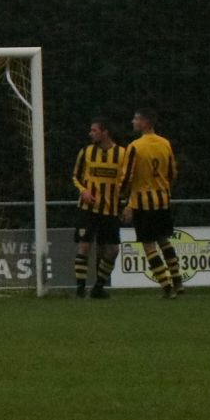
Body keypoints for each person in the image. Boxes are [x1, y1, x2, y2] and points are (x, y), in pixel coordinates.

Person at [120, 108, 182, 298]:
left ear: (145, 123)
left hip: (143, 203)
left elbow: (127, 176)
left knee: (148, 245)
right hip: (162, 200)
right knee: (164, 239)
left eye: (136, 119)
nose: (133, 122)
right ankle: (178, 281)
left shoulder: (135, 146)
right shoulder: (165, 143)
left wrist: (124, 198)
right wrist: (163, 188)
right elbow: (172, 172)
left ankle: (166, 287)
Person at [70, 117, 127, 299]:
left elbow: (127, 180)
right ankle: (80, 290)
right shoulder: (86, 152)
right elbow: (75, 176)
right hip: (88, 208)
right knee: (84, 245)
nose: (90, 133)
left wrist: (126, 201)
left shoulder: (122, 154)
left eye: (94, 130)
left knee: (113, 250)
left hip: (111, 210)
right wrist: (83, 190)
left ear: (105, 132)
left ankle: (98, 287)